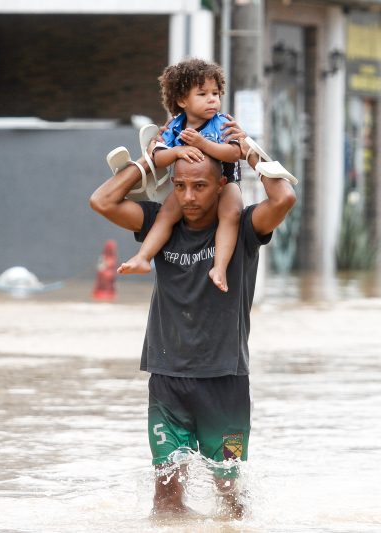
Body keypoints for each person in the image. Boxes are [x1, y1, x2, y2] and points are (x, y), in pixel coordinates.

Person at [89, 130, 297, 519]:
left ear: (221, 185)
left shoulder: (244, 228)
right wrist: (152, 162)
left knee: (231, 494)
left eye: (200, 186)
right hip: (168, 383)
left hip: (227, 386)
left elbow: (284, 197)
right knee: (165, 497)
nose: (188, 197)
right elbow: (101, 201)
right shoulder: (158, 224)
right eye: (180, 186)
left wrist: (248, 151)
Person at [117, 58, 242, 293]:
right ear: (182, 100)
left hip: (226, 183)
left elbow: (234, 153)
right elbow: (159, 157)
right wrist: (177, 150)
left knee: (232, 213)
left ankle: (220, 267)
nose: (212, 99)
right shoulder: (175, 126)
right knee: (166, 214)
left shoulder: (222, 123)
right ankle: (143, 257)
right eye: (203, 93)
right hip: (189, 187)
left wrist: (203, 143)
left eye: (215, 93)